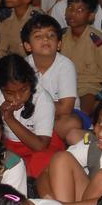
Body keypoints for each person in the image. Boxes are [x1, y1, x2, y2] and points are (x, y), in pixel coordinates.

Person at [0, 54, 63, 178]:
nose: (18, 97)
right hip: (6, 145)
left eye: (24, 90)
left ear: (30, 83)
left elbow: (40, 145)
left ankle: (27, 175)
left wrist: (9, 119)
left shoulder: (42, 99)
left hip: (37, 145)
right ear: (0, 89)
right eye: (10, 93)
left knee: (47, 160)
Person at [21, 13, 81, 141]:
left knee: (72, 124)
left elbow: (66, 108)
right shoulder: (22, 66)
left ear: (59, 44)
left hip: (63, 115)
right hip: (33, 114)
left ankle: (38, 135)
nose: (45, 39)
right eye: (38, 36)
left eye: (51, 35)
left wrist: (34, 105)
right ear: (28, 46)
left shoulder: (65, 65)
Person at [60, 0, 102, 114]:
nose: (73, 13)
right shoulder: (61, 36)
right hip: (64, 85)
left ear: (91, 16)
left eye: (80, 10)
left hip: (89, 87)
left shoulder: (96, 40)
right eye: (70, 8)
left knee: (84, 108)